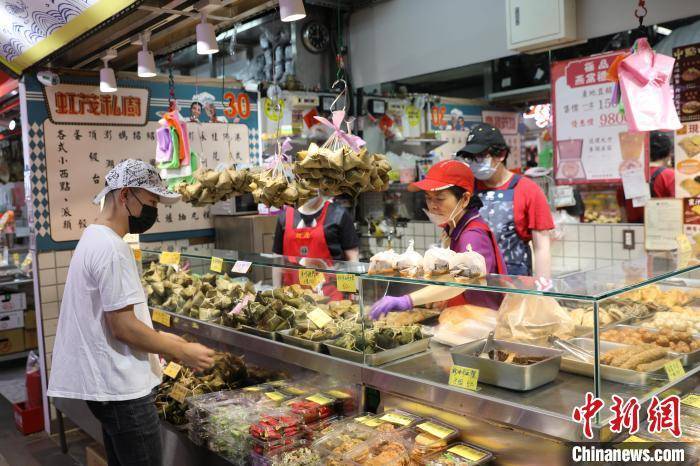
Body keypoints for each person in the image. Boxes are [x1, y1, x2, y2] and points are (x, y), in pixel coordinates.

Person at [47, 160, 216, 466]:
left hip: (108, 387)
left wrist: (160, 336)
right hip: (122, 389)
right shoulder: (112, 249)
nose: (155, 211)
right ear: (124, 195)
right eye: (152, 202)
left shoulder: (93, 237)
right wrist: (181, 349)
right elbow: (123, 328)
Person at [369, 160, 507, 319]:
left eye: (440, 198)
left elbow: (463, 281)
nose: (432, 206)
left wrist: (408, 300)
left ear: (465, 199)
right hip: (465, 317)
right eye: (428, 198)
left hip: (481, 322)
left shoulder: (472, 234)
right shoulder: (454, 227)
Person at [456, 123, 554, 278]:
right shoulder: (467, 190)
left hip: (515, 282)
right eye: (471, 158)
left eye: (481, 156)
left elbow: (541, 246)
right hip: (474, 280)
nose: (474, 162)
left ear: (501, 155)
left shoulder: (527, 189)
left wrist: (543, 289)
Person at [272, 196, 359, 299]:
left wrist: (354, 292)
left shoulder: (338, 214)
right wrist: (275, 291)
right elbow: (277, 258)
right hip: (293, 297)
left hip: (331, 297)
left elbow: (352, 258)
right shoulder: (285, 216)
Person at [621, 131, 675, 222]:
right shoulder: (671, 176)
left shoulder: (627, 176)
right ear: (669, 153)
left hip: (633, 232)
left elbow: (623, 213)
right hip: (662, 232)